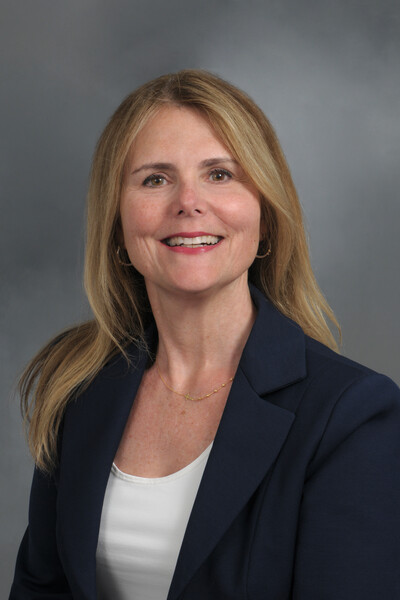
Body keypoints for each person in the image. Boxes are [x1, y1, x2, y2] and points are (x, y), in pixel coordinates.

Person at [10, 70, 400, 600]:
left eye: (219, 174)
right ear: (118, 222)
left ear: (264, 212)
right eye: (155, 179)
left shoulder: (351, 415)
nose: (188, 202)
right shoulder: (77, 390)